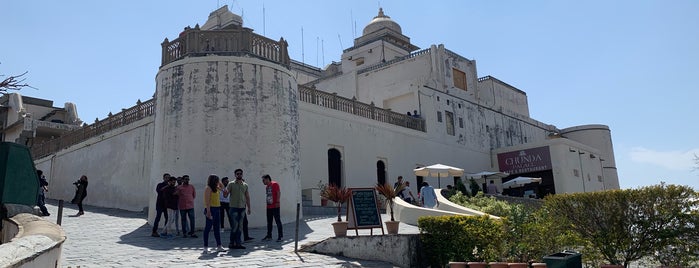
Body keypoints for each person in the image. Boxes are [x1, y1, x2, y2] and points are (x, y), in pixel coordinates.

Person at [224, 169, 250, 249]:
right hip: (233, 208)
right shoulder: (231, 184)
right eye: (237, 174)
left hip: (242, 208)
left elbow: (247, 197)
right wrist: (224, 191)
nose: (239, 175)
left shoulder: (245, 185)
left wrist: (249, 207)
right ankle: (231, 243)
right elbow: (226, 195)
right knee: (235, 226)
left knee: (240, 227)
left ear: (242, 175)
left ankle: (238, 243)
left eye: (240, 174)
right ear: (235, 175)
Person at [202, 174, 225, 254]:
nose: (217, 181)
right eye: (216, 180)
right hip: (211, 209)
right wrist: (208, 212)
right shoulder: (208, 188)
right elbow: (207, 201)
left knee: (216, 228)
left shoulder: (217, 188)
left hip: (217, 208)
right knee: (208, 228)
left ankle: (219, 246)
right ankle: (205, 247)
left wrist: (219, 182)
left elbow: (223, 189)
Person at [261, 174, 283, 242]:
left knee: (277, 221)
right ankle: (269, 236)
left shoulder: (275, 184)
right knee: (269, 222)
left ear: (267, 179)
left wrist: (277, 201)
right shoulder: (267, 187)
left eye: (263, 180)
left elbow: (278, 192)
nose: (263, 182)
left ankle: (280, 236)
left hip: (275, 206)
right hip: (269, 206)